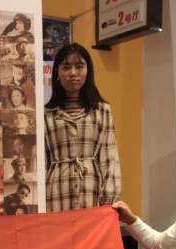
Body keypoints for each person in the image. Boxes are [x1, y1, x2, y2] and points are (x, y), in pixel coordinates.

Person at [44, 43, 121, 211]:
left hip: (92, 191)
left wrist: (108, 199)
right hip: (56, 193)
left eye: (79, 66)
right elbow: (43, 160)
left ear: (88, 71)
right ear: (57, 72)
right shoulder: (46, 114)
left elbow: (109, 156)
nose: (73, 73)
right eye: (66, 67)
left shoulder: (102, 110)